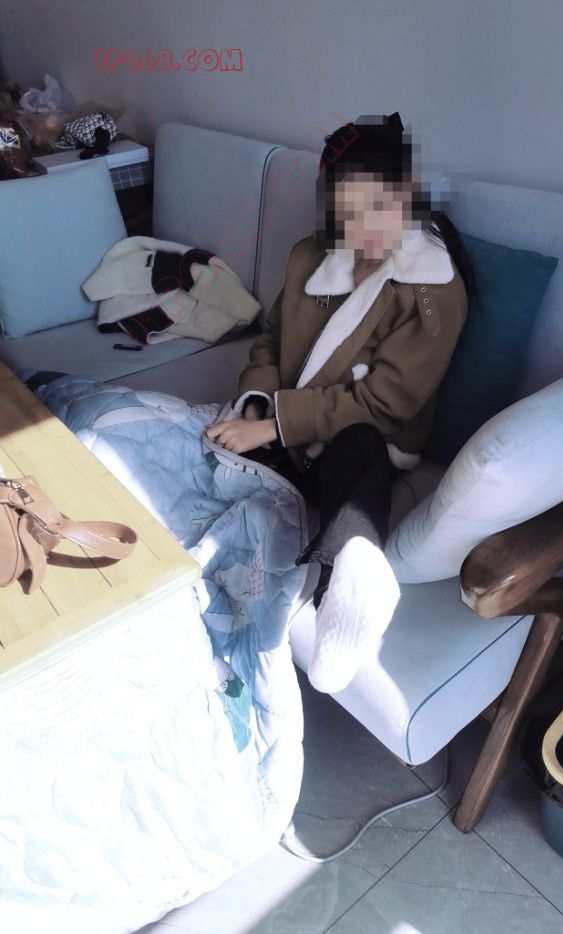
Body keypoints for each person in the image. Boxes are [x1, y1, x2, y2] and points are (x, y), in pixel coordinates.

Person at [205, 112, 476, 693]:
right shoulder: (311, 256)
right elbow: (271, 341)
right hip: (284, 422)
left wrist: (274, 426)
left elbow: (386, 403)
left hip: (364, 434)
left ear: (408, 192)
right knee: (204, 458)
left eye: (378, 207)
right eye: (346, 214)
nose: (363, 230)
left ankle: (349, 584)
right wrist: (256, 407)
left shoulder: (434, 290)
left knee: (359, 449)